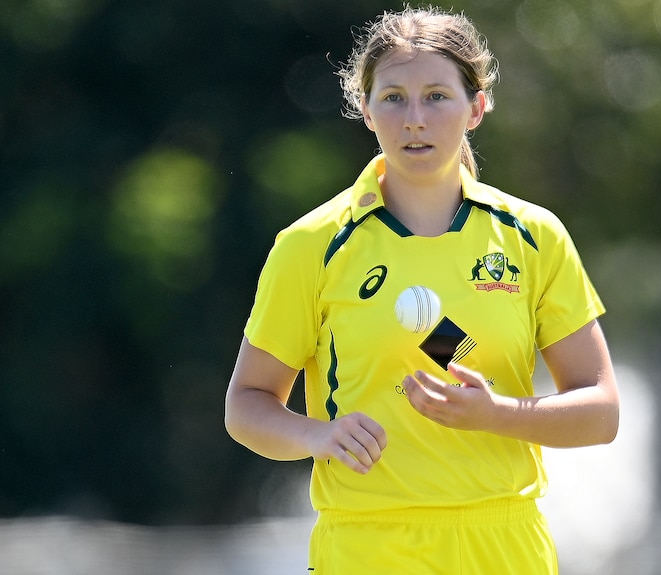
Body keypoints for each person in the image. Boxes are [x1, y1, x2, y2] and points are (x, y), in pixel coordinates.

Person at [224, 6, 619, 574]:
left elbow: (601, 412)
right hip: (366, 547)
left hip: (504, 546)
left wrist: (496, 413)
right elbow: (247, 405)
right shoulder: (311, 245)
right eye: (393, 98)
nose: (414, 119)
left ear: (476, 107)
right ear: (365, 109)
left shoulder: (534, 237)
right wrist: (318, 435)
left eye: (437, 96)